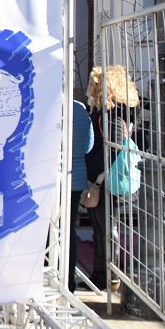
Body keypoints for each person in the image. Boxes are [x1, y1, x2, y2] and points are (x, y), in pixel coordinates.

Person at [84, 65, 139, 290]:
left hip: (106, 179)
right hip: (108, 177)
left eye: (93, 84)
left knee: (105, 227)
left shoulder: (112, 114)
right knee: (102, 227)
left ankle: (108, 275)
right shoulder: (115, 111)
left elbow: (113, 148)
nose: (90, 89)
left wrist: (96, 175)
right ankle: (103, 275)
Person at [69, 97, 94, 292]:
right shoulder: (80, 108)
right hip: (76, 176)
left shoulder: (46, 105)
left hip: (52, 175)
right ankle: (69, 280)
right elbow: (89, 145)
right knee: (69, 230)